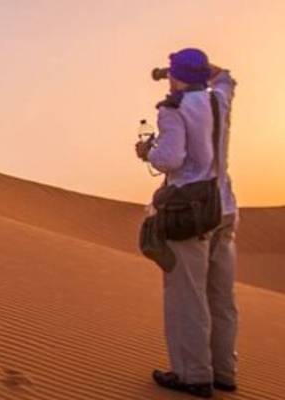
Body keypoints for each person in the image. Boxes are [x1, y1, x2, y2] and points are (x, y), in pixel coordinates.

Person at [135, 48, 238, 398]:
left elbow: (170, 158)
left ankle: (193, 375)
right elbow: (227, 77)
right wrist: (194, 69)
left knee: (187, 296)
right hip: (223, 207)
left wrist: (147, 151)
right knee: (221, 297)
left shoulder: (173, 110)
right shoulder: (219, 99)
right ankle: (224, 371)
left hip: (191, 213)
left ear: (178, 74)